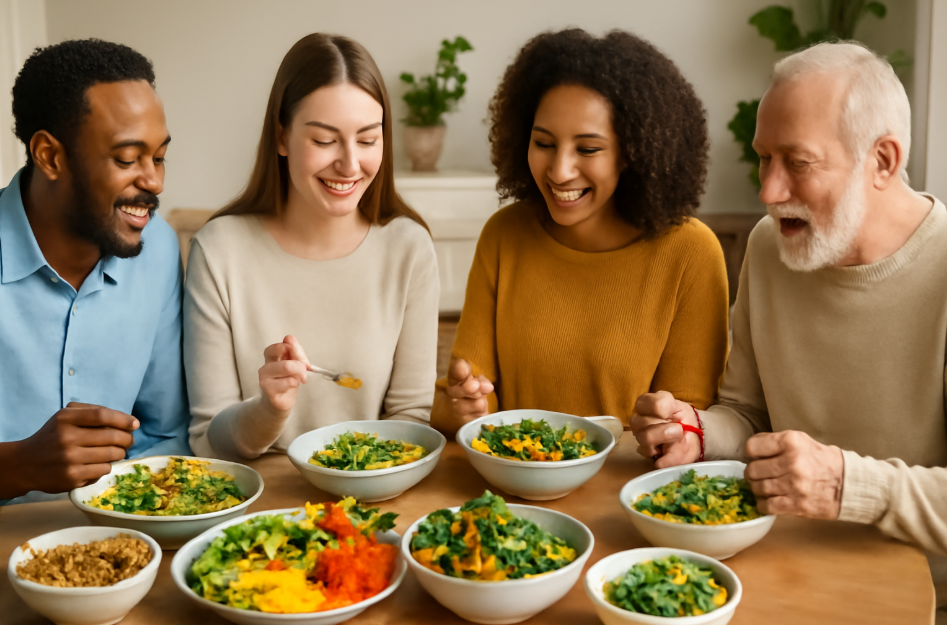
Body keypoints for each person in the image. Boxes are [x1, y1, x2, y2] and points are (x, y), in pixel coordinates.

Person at [631, 42, 947, 613]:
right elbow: (750, 414)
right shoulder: (771, 246)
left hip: (919, 601)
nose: (769, 192)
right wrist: (696, 430)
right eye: (764, 158)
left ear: (883, 161)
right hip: (776, 574)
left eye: (798, 164)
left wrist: (847, 483)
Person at [431, 29, 730, 434]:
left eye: (587, 149)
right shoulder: (505, 235)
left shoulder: (691, 252)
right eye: (544, 143)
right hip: (512, 490)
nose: (559, 171)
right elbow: (464, 401)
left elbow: (693, 424)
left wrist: (672, 424)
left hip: (629, 492)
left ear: (635, 151)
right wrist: (464, 406)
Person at [185, 34, 439, 460]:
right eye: (324, 140)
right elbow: (210, 441)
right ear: (282, 138)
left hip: (372, 496)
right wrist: (270, 409)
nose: (350, 164)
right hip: (257, 505)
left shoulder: (408, 248)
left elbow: (411, 420)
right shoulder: (219, 250)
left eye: (368, 139)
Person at [0, 39, 190, 501]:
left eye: (159, 156)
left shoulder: (159, 247)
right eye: (127, 159)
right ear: (49, 155)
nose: (154, 182)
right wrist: (15, 467)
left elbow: (165, 435)